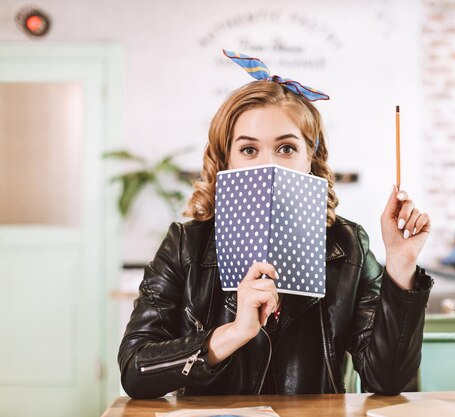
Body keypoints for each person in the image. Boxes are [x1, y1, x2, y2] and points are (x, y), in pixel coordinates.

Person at [118, 50, 433, 399]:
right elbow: (135, 369)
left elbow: (386, 380)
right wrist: (233, 332)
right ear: (226, 159)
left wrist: (402, 266)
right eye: (249, 150)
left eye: (285, 148)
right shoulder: (186, 245)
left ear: (310, 158)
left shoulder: (348, 245)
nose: (268, 166)